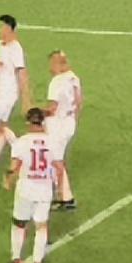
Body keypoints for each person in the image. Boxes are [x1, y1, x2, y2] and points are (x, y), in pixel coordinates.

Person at [3, 107, 63, 263]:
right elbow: (59, 168)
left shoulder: (21, 142)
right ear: (43, 122)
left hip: (26, 188)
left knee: (19, 223)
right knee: (41, 226)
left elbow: (14, 167)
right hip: (44, 189)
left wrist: (8, 181)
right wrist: (59, 188)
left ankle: (16, 258)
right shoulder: (53, 142)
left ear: (28, 122)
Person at [0, 14, 31, 175]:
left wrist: (26, 99)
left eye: (1, 26)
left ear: (9, 28)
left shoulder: (16, 49)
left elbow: (22, 74)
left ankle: (22, 152)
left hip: (8, 93)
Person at [44, 50, 83, 210]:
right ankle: (63, 194)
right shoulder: (73, 78)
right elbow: (79, 102)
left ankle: (65, 198)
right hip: (69, 122)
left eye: (52, 64)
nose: (50, 68)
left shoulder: (57, 82)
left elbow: (52, 108)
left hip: (57, 125)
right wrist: (73, 120)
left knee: (55, 160)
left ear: (58, 64)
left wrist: (37, 113)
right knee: (56, 159)